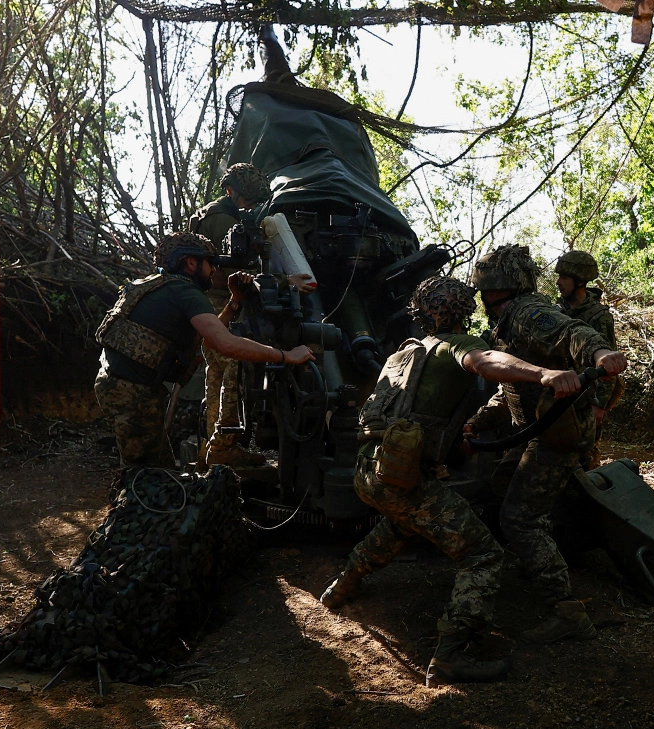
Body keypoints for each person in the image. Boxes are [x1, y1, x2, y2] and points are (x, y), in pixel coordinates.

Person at [319, 275, 584, 687]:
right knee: (482, 554)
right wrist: (544, 374)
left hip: (370, 472)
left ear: (420, 313)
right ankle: (451, 656)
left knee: (402, 522)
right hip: (402, 477)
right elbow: (487, 362)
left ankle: (341, 588)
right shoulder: (455, 346)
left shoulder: (403, 354)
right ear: (465, 311)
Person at [464, 245, 627, 644]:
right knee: (506, 488)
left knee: (518, 518)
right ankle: (542, 558)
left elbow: (571, 332)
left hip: (557, 432)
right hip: (536, 429)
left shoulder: (527, 314)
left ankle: (566, 611)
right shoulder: (506, 321)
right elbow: (511, 388)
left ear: (496, 288)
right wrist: (480, 421)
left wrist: (601, 352)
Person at [94, 231, 314, 468]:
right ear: (191, 263)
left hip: (120, 386)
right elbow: (226, 344)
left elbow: (210, 339)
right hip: (132, 393)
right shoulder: (186, 293)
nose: (214, 270)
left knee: (158, 471)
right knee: (144, 479)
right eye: (211, 263)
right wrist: (287, 356)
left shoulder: (161, 286)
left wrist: (234, 301)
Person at [189, 163, 316, 467]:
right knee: (230, 370)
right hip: (219, 305)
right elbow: (237, 271)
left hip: (217, 305)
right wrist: (288, 281)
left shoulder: (222, 215)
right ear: (230, 191)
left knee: (217, 376)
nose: (251, 207)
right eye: (247, 199)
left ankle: (212, 447)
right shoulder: (221, 220)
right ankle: (225, 445)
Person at [554, 249, 621, 468]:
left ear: (580, 281)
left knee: (586, 458)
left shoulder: (599, 316)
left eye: (564, 277)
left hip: (586, 396)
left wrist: (598, 406)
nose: (558, 282)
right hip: (560, 392)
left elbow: (608, 365)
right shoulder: (555, 312)